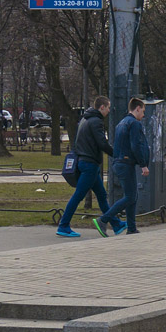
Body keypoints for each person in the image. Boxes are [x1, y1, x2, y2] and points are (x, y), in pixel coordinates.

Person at [56, 97, 122, 237]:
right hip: (90, 164)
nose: (109, 111)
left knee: (101, 196)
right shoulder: (96, 121)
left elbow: (78, 141)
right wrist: (117, 154)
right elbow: (102, 143)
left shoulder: (84, 120)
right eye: (108, 107)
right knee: (78, 195)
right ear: (102, 107)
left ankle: (116, 224)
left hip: (85, 162)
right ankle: (63, 225)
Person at [93, 97, 151, 236]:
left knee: (132, 196)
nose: (143, 115)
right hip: (126, 163)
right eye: (142, 111)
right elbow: (135, 145)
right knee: (130, 197)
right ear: (137, 109)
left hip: (119, 163)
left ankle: (131, 228)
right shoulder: (134, 124)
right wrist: (143, 164)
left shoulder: (121, 123)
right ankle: (104, 219)